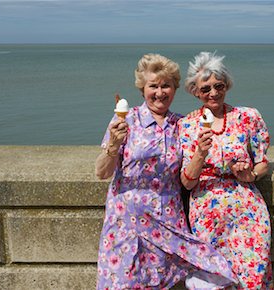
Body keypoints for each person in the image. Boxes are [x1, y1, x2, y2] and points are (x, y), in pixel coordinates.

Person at [95, 53, 235, 289]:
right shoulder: (126, 121)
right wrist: (113, 145)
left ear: (175, 89)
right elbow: (101, 172)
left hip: (168, 225)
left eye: (166, 86)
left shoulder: (182, 124)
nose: (160, 93)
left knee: (209, 272)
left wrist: (201, 151)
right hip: (128, 223)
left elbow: (187, 177)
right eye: (153, 86)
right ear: (143, 89)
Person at [179, 51, 274, 289]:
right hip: (207, 212)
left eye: (218, 86)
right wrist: (200, 153)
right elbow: (187, 182)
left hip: (247, 209)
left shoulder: (248, 117)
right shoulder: (186, 125)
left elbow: (263, 161)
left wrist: (250, 174)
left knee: (253, 273)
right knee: (214, 280)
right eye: (205, 89)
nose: (213, 93)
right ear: (195, 91)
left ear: (226, 85)